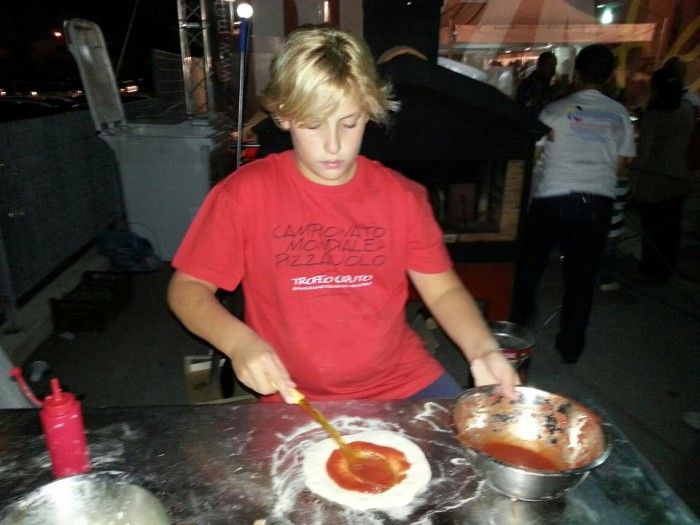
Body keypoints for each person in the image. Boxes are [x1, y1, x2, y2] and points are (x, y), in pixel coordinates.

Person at [168, 26, 519, 403]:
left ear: (368, 110)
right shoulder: (243, 195)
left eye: (349, 123)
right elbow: (187, 290)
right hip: (295, 394)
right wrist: (238, 342)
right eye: (313, 125)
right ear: (284, 116)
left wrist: (483, 349)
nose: (333, 145)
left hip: (403, 379)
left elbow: (444, 289)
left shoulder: (401, 197)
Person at [511, 45, 636, 364]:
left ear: (576, 72)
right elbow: (622, 166)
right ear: (609, 76)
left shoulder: (553, 111)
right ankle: (570, 347)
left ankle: (517, 337)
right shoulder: (620, 114)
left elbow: (534, 156)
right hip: (597, 201)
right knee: (581, 277)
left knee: (530, 269)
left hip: (552, 197)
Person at [629, 67, 696, 283]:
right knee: (671, 228)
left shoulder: (654, 116)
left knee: (652, 228)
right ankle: (668, 268)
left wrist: (633, 181)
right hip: (679, 174)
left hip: (654, 179)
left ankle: (651, 270)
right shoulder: (686, 109)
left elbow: (644, 152)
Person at [515, 51, 557, 116]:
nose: (553, 69)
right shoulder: (527, 84)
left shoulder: (545, 84)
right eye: (549, 65)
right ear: (540, 65)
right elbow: (524, 104)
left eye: (554, 65)